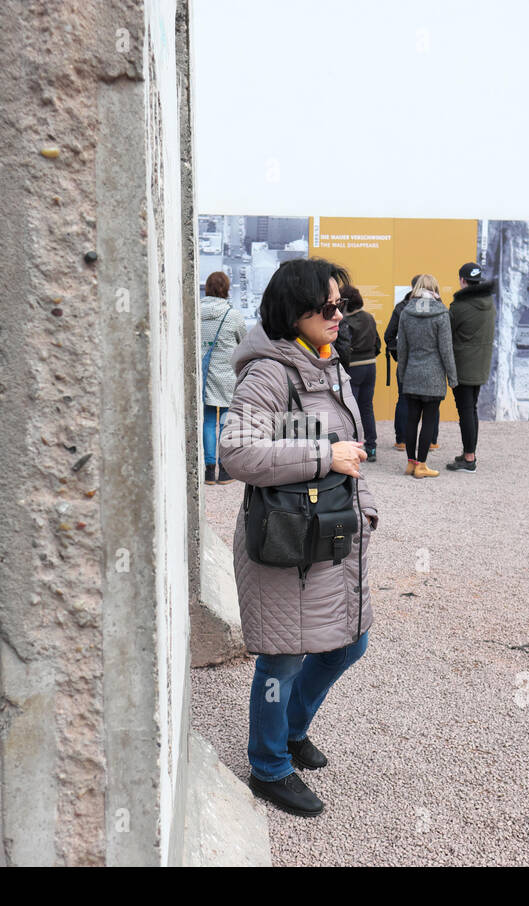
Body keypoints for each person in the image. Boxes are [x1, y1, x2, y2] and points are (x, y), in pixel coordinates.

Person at [219, 257, 378, 818]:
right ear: (295, 310)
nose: (341, 314)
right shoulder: (270, 373)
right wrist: (322, 455)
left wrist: (366, 509)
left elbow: (352, 455)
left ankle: (290, 729)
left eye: (344, 301)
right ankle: (268, 766)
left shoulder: (326, 365)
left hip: (328, 534)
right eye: (328, 305)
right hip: (285, 540)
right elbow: (235, 452)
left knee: (349, 643)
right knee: (283, 657)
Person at [397, 274, 457, 478]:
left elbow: (402, 349)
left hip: (412, 373)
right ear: (435, 289)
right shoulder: (442, 314)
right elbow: (446, 350)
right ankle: (422, 465)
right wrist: (452, 377)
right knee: (429, 420)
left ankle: (410, 463)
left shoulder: (406, 313)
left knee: (411, 419)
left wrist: (402, 375)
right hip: (434, 376)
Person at [446, 262, 495, 472]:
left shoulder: (459, 307)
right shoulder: (489, 303)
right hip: (481, 365)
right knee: (471, 410)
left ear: (462, 280)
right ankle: (470, 453)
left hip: (463, 366)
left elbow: (446, 333)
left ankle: (468, 458)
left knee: (465, 411)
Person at [199, 270, 245, 484]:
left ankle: (209, 471)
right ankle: (225, 470)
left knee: (209, 420)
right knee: (226, 421)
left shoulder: (196, 311)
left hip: (205, 374)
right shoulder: (232, 315)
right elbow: (243, 342)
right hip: (227, 374)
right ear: (226, 289)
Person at [385, 276, 438, 450]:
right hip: (431, 363)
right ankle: (430, 441)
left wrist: (400, 355)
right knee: (432, 402)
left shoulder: (402, 308)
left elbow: (389, 336)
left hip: (407, 363)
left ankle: (402, 441)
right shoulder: (439, 308)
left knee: (404, 400)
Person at [339, 283, 380, 461]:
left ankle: (353, 446)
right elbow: (378, 343)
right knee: (366, 406)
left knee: (351, 409)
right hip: (370, 365)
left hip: (353, 368)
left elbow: (344, 347)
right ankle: (371, 447)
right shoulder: (369, 317)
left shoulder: (345, 322)